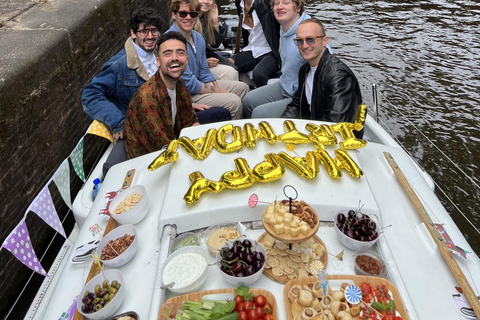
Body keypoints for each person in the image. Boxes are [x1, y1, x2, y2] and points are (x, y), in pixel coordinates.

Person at [81, 8, 229, 175]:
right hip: (145, 127)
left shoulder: (163, 60)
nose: (150, 36)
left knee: (220, 113)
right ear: (133, 33)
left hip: (169, 118)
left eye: (154, 31)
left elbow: (170, 89)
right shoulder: (119, 66)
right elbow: (90, 94)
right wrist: (117, 122)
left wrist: (187, 105)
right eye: (144, 31)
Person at [167, 0, 250, 120]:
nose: (189, 18)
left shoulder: (198, 37)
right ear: (174, 14)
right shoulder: (172, 42)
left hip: (197, 85)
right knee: (234, 101)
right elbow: (189, 84)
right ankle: (230, 133)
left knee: (243, 88)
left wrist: (215, 88)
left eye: (193, 14)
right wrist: (218, 91)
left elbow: (204, 71)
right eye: (183, 14)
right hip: (184, 95)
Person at [125, 32, 201, 159]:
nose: (175, 58)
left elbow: (190, 121)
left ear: (187, 59)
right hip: (148, 163)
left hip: (172, 146)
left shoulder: (179, 83)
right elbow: (164, 149)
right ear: (158, 62)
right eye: (168, 53)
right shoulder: (147, 98)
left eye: (180, 52)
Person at [282, 18, 362, 130]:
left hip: (339, 140)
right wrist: (281, 127)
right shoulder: (304, 70)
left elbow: (336, 123)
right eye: (299, 41)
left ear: (325, 41)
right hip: (316, 130)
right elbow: (296, 104)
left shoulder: (338, 77)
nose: (304, 46)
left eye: (310, 40)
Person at [242, 0, 310, 118]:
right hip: (285, 85)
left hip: (303, 97)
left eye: (285, 3)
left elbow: (325, 66)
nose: (280, 7)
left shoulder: (307, 33)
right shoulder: (284, 27)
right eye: (276, 3)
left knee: (259, 113)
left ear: (298, 7)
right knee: (248, 101)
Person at [228, 0, 280, 88]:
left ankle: (262, 99)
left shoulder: (267, 3)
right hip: (252, 49)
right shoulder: (239, 3)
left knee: (259, 74)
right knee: (228, 65)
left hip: (271, 51)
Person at [195, 0, 239, 80]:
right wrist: (204, 62)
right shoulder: (189, 21)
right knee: (230, 72)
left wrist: (215, 21)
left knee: (234, 65)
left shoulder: (203, 18)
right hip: (198, 65)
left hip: (207, 58)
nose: (206, 2)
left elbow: (215, 44)